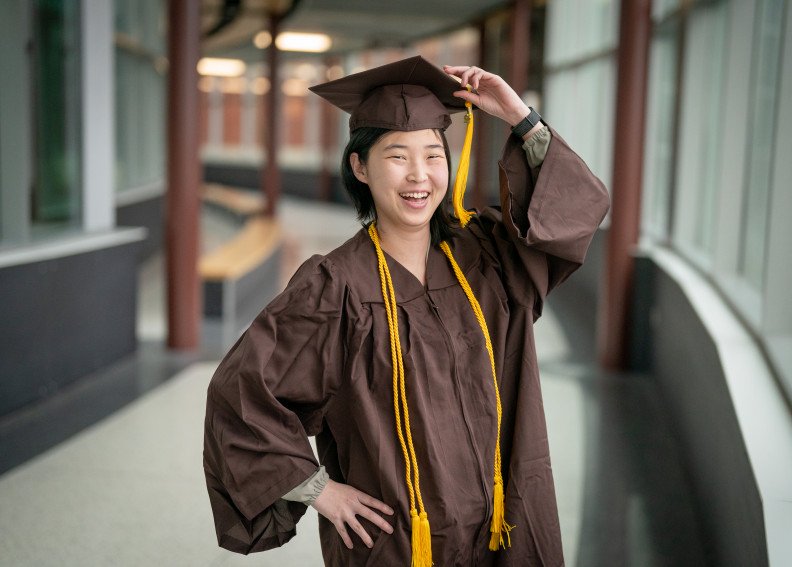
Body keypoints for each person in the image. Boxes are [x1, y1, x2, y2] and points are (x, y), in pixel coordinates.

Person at [203, 55, 610, 566]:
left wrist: (519, 117)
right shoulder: (335, 288)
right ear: (360, 167)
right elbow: (240, 392)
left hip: (505, 529)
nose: (419, 176)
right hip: (398, 542)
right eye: (397, 156)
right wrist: (318, 490)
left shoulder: (488, 262)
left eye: (433, 154)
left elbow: (573, 216)